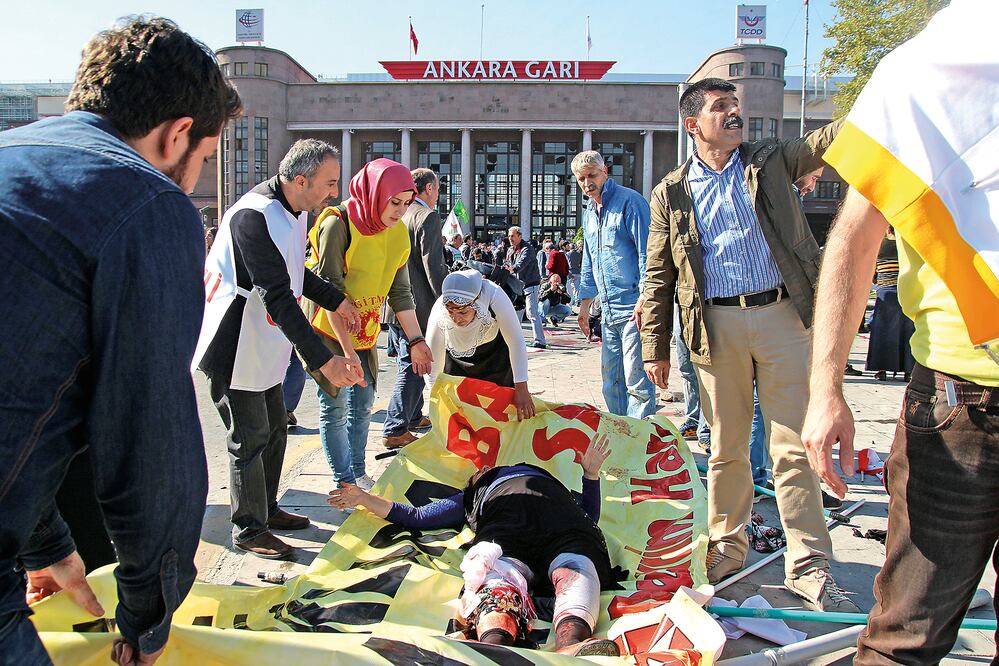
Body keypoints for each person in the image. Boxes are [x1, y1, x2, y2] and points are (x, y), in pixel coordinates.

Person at [0, 16, 241, 664]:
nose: (194, 181)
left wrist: (45, 541)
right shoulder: (146, 203)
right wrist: (146, 619)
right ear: (177, 135)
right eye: (206, 161)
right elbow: (148, 443)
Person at [801, 3, 999, 661]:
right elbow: (854, 237)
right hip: (962, 394)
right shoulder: (922, 70)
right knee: (905, 636)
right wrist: (825, 389)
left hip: (958, 398)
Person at [639, 78, 857, 611]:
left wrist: (883, 98)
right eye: (721, 108)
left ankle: (810, 565)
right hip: (715, 329)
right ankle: (726, 548)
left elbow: (826, 139)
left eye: (736, 106)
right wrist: (655, 346)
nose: (734, 114)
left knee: (793, 445)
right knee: (726, 448)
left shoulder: (770, 161)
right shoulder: (672, 192)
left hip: (784, 318)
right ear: (694, 124)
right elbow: (658, 273)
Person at [195, 139, 365, 561]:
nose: (332, 193)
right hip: (234, 341)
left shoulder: (295, 210)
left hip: (264, 341)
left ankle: (267, 509)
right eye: (328, 183)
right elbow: (278, 295)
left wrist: (334, 298)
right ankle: (248, 528)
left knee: (273, 429)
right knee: (248, 438)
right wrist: (325, 360)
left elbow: (295, 272)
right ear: (300, 179)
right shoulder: (252, 217)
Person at [327, 435, 618, 657]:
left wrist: (590, 475)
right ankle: (493, 646)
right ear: (474, 482)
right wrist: (365, 499)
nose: (486, 467)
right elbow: (414, 516)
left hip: (564, 527)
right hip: (507, 532)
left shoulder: (551, 486)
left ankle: (571, 645)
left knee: (577, 570)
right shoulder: (471, 497)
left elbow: (587, 516)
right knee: (497, 575)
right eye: (479, 471)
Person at [302, 159, 434, 489]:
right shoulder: (338, 224)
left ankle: (358, 473)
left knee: (363, 404)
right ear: (375, 193)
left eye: (406, 203)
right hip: (329, 329)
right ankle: (345, 482)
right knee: (335, 406)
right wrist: (347, 355)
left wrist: (417, 341)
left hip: (365, 329)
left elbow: (400, 293)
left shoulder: (398, 233)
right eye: (394, 202)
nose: (400, 211)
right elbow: (328, 291)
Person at [573, 150, 657, 419]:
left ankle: (639, 440)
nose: (587, 183)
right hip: (607, 311)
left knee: (637, 381)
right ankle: (621, 434)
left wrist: (645, 298)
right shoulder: (589, 212)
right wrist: (585, 306)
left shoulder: (630, 203)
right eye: (581, 178)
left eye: (592, 176)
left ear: (605, 172)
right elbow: (589, 260)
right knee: (611, 382)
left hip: (633, 306)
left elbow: (648, 253)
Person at [382, 168, 448, 449]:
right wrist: (448, 300)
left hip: (395, 305)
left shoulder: (399, 215)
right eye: (437, 190)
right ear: (430, 188)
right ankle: (395, 427)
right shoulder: (427, 217)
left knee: (408, 363)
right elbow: (433, 265)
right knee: (413, 365)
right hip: (418, 306)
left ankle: (411, 416)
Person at [426, 270, 534, 419]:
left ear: (476, 303)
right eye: (451, 313)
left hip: (494, 357)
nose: (456, 319)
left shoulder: (494, 294)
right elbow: (432, 361)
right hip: (457, 362)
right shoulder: (440, 310)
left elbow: (516, 341)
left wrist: (522, 388)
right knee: (462, 415)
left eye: (463, 312)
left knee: (498, 415)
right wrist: (436, 401)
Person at [864, 227, 914, 381]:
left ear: (887, 230)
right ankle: (908, 371)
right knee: (907, 332)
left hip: (885, 293)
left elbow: (872, 274)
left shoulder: (879, 245)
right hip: (905, 293)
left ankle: (881, 370)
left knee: (882, 332)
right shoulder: (908, 246)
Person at [505, 226, 546, 349]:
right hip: (517, 285)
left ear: (519, 236)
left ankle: (540, 341)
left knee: (531, 312)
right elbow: (507, 263)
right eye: (509, 236)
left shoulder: (527, 249)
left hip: (530, 284)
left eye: (512, 236)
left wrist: (512, 269)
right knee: (516, 312)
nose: (510, 238)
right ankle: (516, 339)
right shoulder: (510, 250)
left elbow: (521, 263)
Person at [566, 241, 583, 305]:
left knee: (571, 288)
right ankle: (577, 300)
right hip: (577, 271)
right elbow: (580, 263)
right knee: (577, 287)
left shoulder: (568, 254)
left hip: (571, 272)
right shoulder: (579, 254)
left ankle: (572, 301)